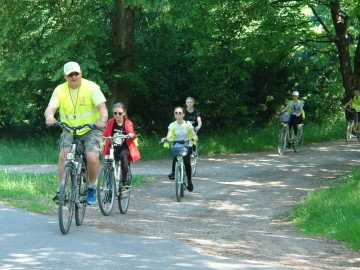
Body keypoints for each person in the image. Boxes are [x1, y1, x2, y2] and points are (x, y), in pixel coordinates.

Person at [44, 61, 108, 205]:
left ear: (81, 73)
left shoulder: (91, 87)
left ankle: (91, 186)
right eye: (70, 74)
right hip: (69, 129)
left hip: (91, 130)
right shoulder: (59, 90)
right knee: (63, 155)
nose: (73, 77)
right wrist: (49, 117)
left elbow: (102, 108)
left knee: (91, 157)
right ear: (65, 76)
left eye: (76, 73)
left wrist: (102, 120)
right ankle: (61, 190)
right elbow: (50, 108)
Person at [103, 102, 140, 187]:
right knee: (109, 159)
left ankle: (124, 179)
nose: (117, 115)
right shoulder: (110, 122)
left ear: (124, 113)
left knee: (123, 156)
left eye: (120, 113)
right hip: (113, 146)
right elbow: (105, 133)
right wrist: (102, 137)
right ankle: (109, 180)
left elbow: (131, 132)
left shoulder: (128, 123)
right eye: (115, 113)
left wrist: (131, 134)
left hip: (124, 147)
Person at [162, 107, 198, 191]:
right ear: (174, 115)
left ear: (183, 115)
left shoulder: (188, 124)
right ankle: (174, 172)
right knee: (175, 156)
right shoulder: (172, 125)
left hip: (187, 144)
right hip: (177, 144)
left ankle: (189, 181)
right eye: (176, 113)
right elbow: (169, 135)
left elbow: (193, 134)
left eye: (180, 113)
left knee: (186, 162)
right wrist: (166, 139)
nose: (178, 114)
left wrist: (195, 137)